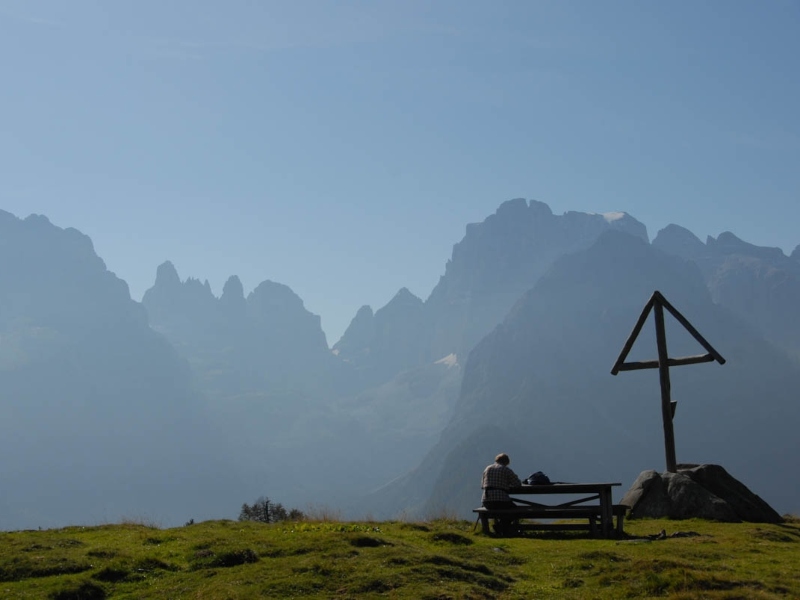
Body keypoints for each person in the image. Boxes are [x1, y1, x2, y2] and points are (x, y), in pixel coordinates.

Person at [481, 453, 522, 535]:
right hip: (501, 500)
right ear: (506, 462)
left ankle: (501, 528)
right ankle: (503, 527)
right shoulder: (506, 470)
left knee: (504, 511)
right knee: (515, 510)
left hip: (487, 501)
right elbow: (517, 484)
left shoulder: (487, 468)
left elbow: (482, 485)